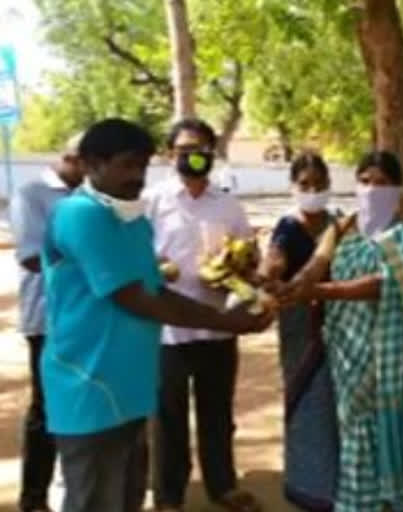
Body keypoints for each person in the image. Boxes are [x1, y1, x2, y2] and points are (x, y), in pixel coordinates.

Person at [41, 118, 273, 512]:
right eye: (128, 165)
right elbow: (136, 299)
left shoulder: (131, 220)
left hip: (128, 385)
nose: (137, 176)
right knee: (94, 498)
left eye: (142, 166)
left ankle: (217, 484)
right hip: (89, 385)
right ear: (92, 163)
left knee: (127, 495)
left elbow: (154, 289)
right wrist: (229, 321)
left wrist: (238, 301)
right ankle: (171, 495)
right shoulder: (81, 215)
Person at [273, 150, 403, 512]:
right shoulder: (344, 230)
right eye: (364, 181)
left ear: (397, 189)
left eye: (381, 183)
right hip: (347, 351)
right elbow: (317, 264)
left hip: (389, 354)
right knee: (354, 428)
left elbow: (379, 285)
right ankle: (359, 501)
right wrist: (291, 287)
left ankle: (393, 500)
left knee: (381, 425)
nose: (371, 190)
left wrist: (317, 291)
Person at [145, 118, 261, 512]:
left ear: (212, 154)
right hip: (167, 330)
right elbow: (134, 257)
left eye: (200, 150)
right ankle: (168, 496)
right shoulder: (154, 201)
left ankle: (223, 486)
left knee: (217, 413)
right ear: (169, 155)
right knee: (168, 417)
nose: (193, 157)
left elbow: (249, 256)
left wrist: (241, 264)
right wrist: (156, 266)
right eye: (184, 151)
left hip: (218, 324)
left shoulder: (227, 204)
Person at [9, 133, 85, 512]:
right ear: (72, 158)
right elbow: (30, 257)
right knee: (46, 408)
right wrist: (93, 267)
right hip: (47, 321)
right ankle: (34, 498)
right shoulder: (31, 195)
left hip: (89, 320)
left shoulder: (90, 197)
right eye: (90, 164)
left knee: (83, 405)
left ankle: (75, 490)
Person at [260, 152, 338, 511]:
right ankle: (305, 484)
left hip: (339, 324)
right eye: (305, 185)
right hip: (298, 328)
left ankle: (337, 481)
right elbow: (274, 261)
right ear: (293, 187)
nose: (312, 191)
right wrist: (267, 274)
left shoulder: (340, 225)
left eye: (319, 184)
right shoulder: (286, 228)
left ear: (329, 186)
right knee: (304, 398)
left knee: (336, 404)